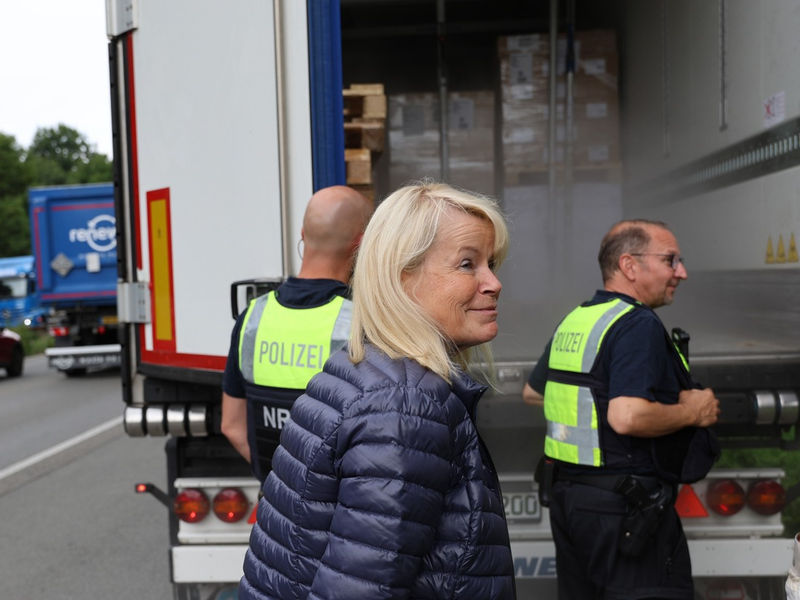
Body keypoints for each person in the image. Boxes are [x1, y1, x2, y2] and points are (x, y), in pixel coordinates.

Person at [239, 181, 516, 600]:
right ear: (402, 277)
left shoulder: (369, 368)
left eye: (490, 263)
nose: (493, 282)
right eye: (467, 264)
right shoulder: (406, 405)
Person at [523, 219, 721, 599]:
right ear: (630, 265)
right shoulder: (636, 324)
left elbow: (533, 392)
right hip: (624, 507)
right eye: (670, 260)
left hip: (569, 501)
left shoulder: (579, 317)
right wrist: (693, 413)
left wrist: (596, 405)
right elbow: (626, 416)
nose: (681, 272)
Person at [220, 185, 373, 483]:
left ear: (303, 234)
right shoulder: (363, 320)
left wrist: (284, 482)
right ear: (362, 242)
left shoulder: (253, 317)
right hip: (336, 504)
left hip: (275, 498)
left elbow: (232, 426)